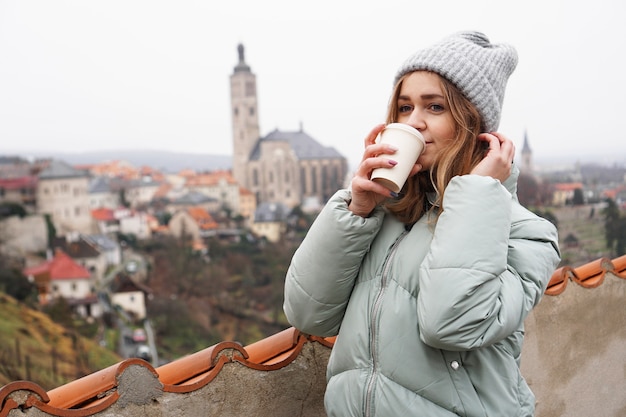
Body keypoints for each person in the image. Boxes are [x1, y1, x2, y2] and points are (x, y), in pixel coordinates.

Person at [283, 31, 561, 417]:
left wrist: (478, 192)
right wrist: (356, 208)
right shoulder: (382, 215)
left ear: (471, 121)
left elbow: (452, 324)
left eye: (434, 107)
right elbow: (308, 314)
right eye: (403, 107)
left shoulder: (528, 234)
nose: (414, 123)